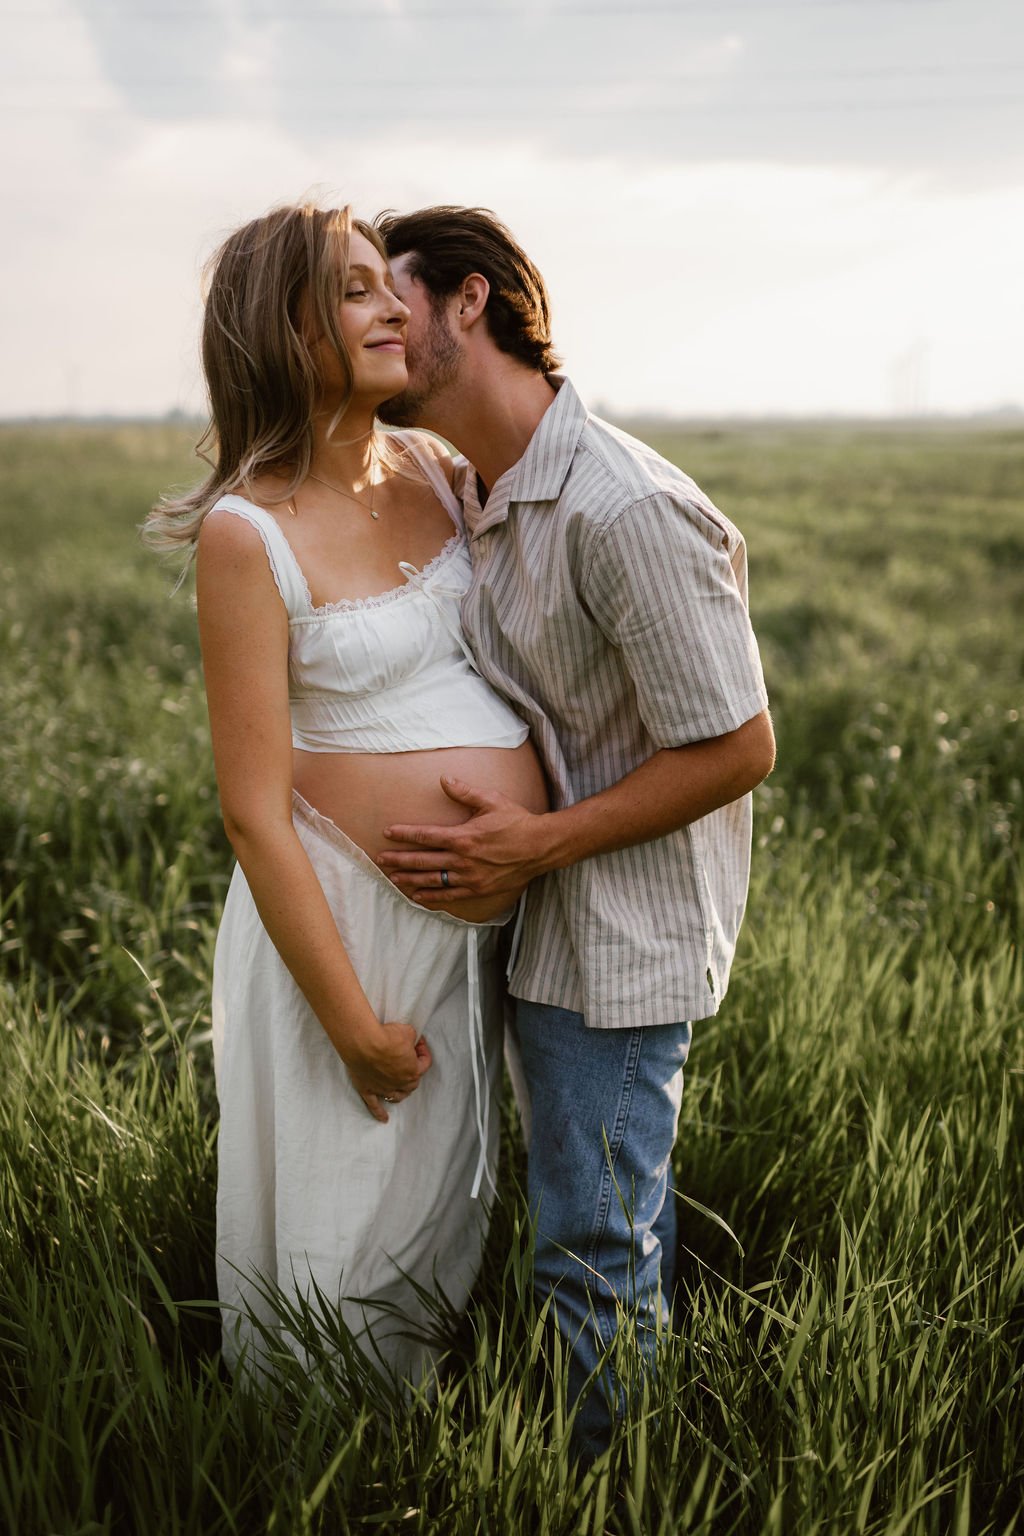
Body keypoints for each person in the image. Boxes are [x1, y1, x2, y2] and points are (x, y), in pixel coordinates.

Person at [372, 206, 776, 1454]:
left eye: (395, 308)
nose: (376, 337)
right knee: (562, 1222)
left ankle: (617, 1490)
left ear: (469, 301)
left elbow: (737, 745)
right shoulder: (473, 484)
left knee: (593, 1248)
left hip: (615, 937)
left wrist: (538, 845)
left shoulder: (623, 508)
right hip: (522, 916)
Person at [143, 202, 548, 1385]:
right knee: (341, 1220)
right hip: (343, 929)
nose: (394, 307)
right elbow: (252, 811)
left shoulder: (434, 468)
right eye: (358, 289)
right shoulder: (246, 532)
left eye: (390, 284)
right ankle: (305, 1458)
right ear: (281, 326)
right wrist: (351, 1026)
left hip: (470, 929)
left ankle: (418, 1444)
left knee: (436, 1214)